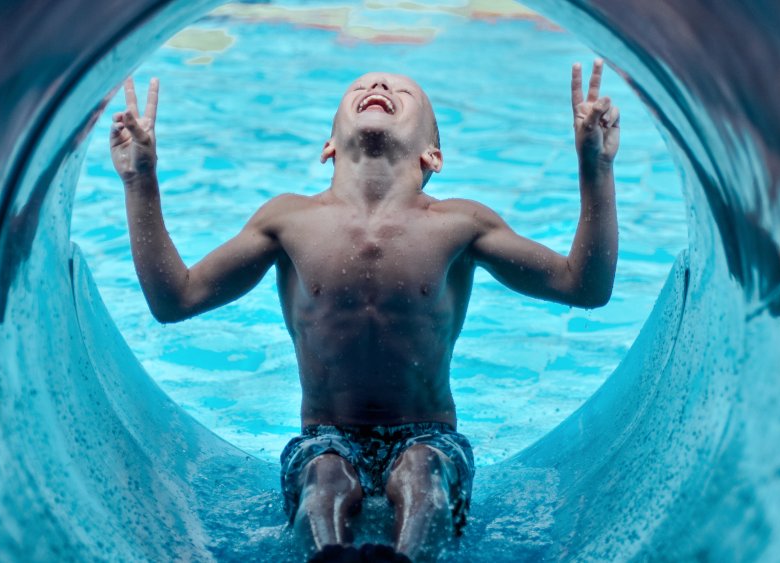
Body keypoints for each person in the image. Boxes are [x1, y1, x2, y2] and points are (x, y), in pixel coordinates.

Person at [109, 61, 619, 562]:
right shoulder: (288, 220)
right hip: (325, 436)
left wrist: (594, 168)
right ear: (328, 146)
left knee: (424, 473)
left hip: (429, 433)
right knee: (323, 478)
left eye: (403, 90)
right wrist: (141, 179)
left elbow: (583, 284)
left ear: (432, 156)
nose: (378, 84)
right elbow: (176, 297)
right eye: (362, 84)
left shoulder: (461, 224)